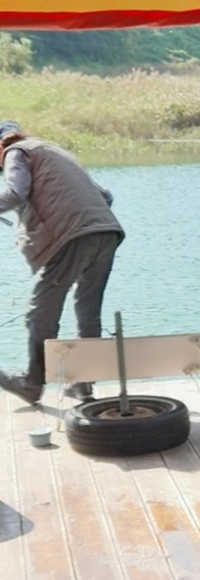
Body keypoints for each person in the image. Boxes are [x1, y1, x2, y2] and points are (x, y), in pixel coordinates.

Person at [0, 120, 124, 405]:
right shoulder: (52, 150)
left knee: (40, 312)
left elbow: (15, 193)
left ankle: (32, 383)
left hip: (73, 237)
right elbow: (106, 195)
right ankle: (83, 383)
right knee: (88, 311)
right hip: (107, 232)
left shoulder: (16, 152)